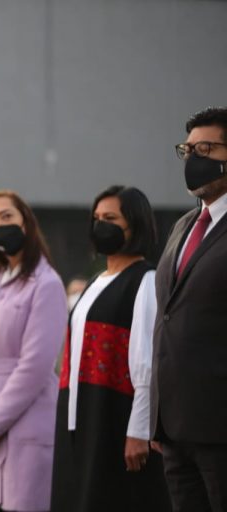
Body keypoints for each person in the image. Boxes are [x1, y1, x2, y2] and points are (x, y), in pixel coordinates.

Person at [51, 186, 170, 511]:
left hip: (114, 416)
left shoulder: (144, 280)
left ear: (135, 225)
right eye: (97, 218)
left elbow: (147, 362)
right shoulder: (94, 282)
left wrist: (138, 430)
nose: (100, 225)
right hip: (78, 415)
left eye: (111, 218)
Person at [0, 190, 67, 512]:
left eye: (7, 217)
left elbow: (35, 366)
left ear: (26, 222)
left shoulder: (46, 284)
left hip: (27, 422)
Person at [151, 106, 227, 510]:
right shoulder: (183, 226)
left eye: (207, 148)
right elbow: (166, 318)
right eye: (189, 150)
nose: (195, 159)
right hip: (175, 426)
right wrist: (156, 415)